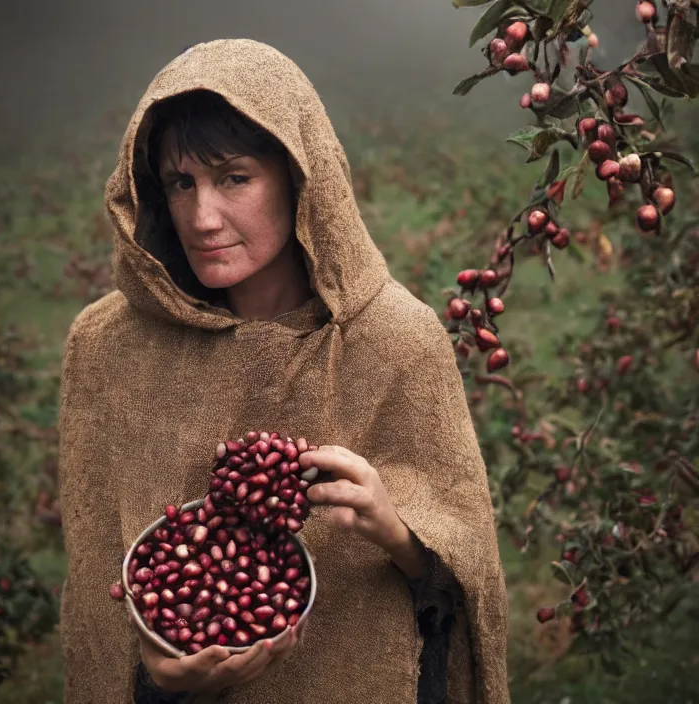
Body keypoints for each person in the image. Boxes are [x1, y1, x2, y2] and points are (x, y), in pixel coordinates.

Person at [57, 39, 510, 704]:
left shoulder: (395, 341)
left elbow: (464, 590)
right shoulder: (107, 347)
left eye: (234, 178)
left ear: (302, 179)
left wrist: (397, 530)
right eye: (182, 183)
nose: (203, 218)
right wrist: (162, 676)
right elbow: (102, 593)